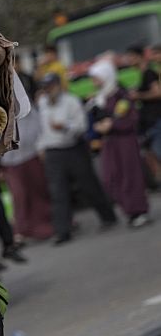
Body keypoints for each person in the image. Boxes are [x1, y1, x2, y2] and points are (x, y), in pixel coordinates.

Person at [36, 72, 118, 244]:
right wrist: (41, 148)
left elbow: (82, 126)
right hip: (53, 151)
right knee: (58, 191)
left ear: (59, 85)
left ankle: (108, 216)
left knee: (88, 185)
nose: (48, 90)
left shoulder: (71, 101)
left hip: (73, 147)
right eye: (45, 87)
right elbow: (41, 128)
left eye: (51, 86)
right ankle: (62, 231)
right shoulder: (42, 103)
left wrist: (65, 126)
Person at [88, 59, 151, 228]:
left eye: (96, 77)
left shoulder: (120, 94)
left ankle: (137, 211)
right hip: (109, 143)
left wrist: (112, 125)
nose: (94, 81)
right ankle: (128, 209)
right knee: (110, 178)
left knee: (130, 176)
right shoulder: (100, 97)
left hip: (125, 141)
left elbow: (130, 119)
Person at [0, 84, 54, 242]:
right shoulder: (0, 110)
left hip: (32, 154)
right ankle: (22, 229)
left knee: (38, 190)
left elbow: (38, 125)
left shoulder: (26, 107)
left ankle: (44, 223)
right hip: (11, 161)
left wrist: (41, 146)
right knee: (19, 194)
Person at [127, 44, 161, 185]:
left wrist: (138, 95)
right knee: (150, 154)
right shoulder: (144, 74)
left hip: (156, 120)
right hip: (149, 121)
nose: (128, 60)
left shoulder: (149, 73)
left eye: (131, 57)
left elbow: (157, 93)